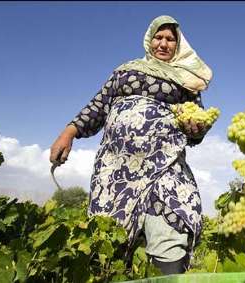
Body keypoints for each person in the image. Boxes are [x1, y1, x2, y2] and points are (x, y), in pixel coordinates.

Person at [49, 15, 213, 274]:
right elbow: (98, 106)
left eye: (170, 39)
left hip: (164, 166)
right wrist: (69, 132)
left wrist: (196, 129)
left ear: (178, 45)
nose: (163, 43)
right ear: (149, 39)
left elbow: (195, 126)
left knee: (170, 227)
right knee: (110, 241)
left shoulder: (188, 81)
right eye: (159, 37)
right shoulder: (125, 71)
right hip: (117, 171)